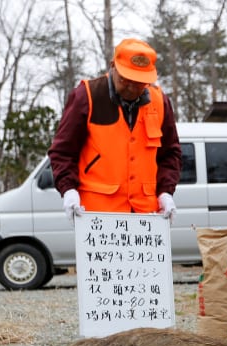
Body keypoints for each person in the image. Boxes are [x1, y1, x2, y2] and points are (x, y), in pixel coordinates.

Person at [49, 38, 182, 221]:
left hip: (147, 216)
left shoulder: (160, 102)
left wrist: (165, 192)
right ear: (113, 66)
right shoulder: (87, 96)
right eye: (126, 80)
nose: (132, 87)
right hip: (98, 216)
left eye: (139, 82)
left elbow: (170, 154)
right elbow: (62, 151)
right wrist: (69, 190)